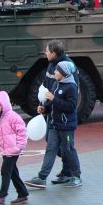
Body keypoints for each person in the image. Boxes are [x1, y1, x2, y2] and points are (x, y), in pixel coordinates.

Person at [25, 60, 83, 189]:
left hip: (66, 126)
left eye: (57, 70)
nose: (54, 72)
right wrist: (44, 109)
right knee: (50, 150)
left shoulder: (71, 87)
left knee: (69, 149)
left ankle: (76, 176)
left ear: (63, 73)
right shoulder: (56, 84)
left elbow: (71, 107)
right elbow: (52, 104)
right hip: (53, 124)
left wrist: (54, 99)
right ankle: (42, 178)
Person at [0, 91, 29, 205]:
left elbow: (22, 132)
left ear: (4, 104)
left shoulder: (13, 117)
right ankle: (23, 194)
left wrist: (19, 147)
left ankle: (1, 197)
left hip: (13, 151)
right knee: (13, 173)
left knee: (5, 172)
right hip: (5, 151)